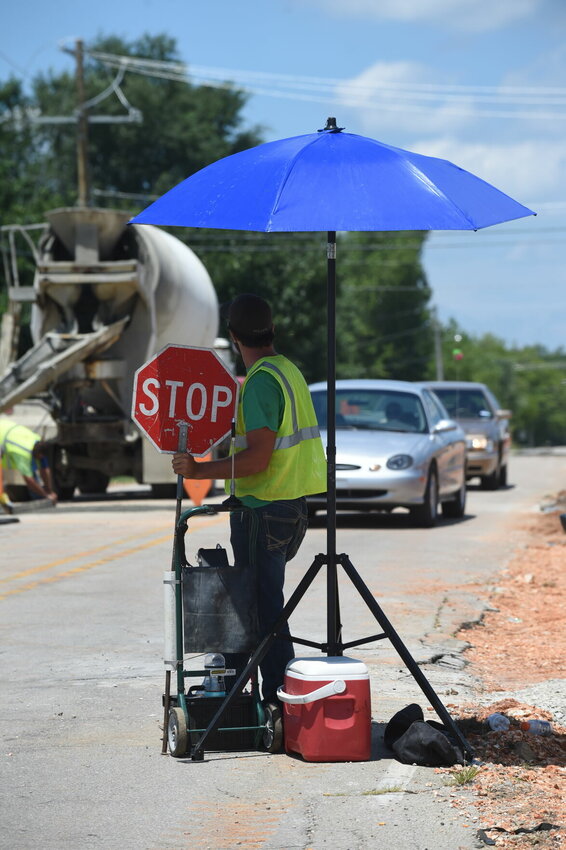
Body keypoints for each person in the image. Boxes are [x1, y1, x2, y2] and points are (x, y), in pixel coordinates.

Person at [172, 293, 327, 706]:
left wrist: (199, 470)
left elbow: (258, 458)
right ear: (273, 331)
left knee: (261, 609)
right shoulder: (288, 371)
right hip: (290, 509)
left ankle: (278, 699)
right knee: (264, 605)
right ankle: (272, 694)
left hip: (263, 511)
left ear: (233, 336)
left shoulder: (260, 381)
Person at [0, 417, 58, 504]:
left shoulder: (37, 442)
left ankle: (39, 495)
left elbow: (45, 468)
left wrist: (49, 490)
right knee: (31, 477)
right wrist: (46, 495)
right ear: (39, 455)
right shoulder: (21, 452)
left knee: (33, 474)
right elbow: (28, 479)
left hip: (4, 427)